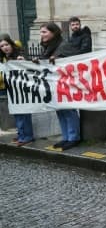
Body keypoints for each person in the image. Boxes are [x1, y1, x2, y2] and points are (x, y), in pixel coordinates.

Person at [39, 22, 81, 150]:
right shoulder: (49, 46)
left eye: (44, 32)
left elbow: (74, 61)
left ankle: (74, 137)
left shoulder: (63, 45)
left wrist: (57, 60)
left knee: (68, 110)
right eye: (41, 32)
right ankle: (66, 137)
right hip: (55, 84)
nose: (41, 35)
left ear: (53, 33)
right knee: (60, 111)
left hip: (66, 83)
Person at [0, 33, 33, 146]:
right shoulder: (3, 58)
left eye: (6, 44)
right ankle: (21, 134)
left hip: (22, 89)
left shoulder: (19, 54)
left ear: (11, 44)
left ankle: (27, 136)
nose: (5, 47)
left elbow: (30, 67)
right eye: (2, 46)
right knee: (17, 113)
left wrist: (23, 61)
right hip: (11, 89)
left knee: (24, 113)